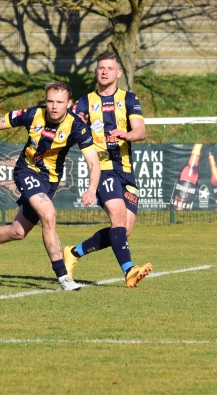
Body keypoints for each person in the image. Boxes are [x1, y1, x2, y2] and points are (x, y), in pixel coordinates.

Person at [0, 82, 100, 291]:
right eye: (50, 101)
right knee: (48, 215)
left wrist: (92, 188)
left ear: (69, 104)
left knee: (17, 232)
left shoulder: (77, 127)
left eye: (59, 102)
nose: (54, 106)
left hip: (51, 180)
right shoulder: (32, 115)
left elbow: (94, 163)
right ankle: (63, 277)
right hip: (27, 171)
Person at [64, 52, 153, 287]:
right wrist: (77, 127)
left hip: (126, 171)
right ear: (96, 71)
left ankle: (73, 252)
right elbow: (68, 129)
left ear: (118, 73)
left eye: (110, 68)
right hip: (102, 169)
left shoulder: (129, 99)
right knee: (118, 216)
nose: (105, 72)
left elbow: (140, 131)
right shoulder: (85, 102)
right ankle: (129, 271)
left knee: (123, 229)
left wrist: (127, 134)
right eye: (101, 68)